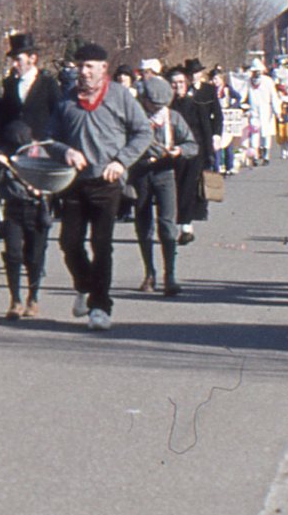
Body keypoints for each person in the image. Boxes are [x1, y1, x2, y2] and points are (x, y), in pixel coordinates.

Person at [42, 42, 153, 331]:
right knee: (69, 242)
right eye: (80, 66)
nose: (84, 72)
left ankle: (101, 307)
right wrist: (65, 151)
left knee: (101, 244)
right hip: (74, 182)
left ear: (104, 68)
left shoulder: (119, 96)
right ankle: (84, 285)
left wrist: (121, 162)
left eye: (90, 66)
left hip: (107, 181)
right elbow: (49, 139)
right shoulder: (67, 100)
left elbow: (143, 132)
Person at [131, 76, 196, 297]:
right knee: (143, 224)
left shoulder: (173, 118)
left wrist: (179, 150)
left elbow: (192, 144)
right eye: (153, 105)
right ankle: (149, 272)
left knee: (167, 224)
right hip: (140, 173)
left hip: (165, 173)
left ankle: (170, 275)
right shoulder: (135, 117)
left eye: (160, 106)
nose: (156, 109)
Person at [0, 120, 53, 320]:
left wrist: (41, 190)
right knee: (13, 254)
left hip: (37, 208)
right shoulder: (3, 155)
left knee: (35, 256)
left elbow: (52, 180)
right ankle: (15, 300)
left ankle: (33, 298)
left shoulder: (40, 153)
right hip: (13, 208)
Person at [168, 66, 218, 244]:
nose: (178, 86)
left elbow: (205, 127)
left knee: (188, 188)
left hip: (194, 152)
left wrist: (210, 151)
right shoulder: (166, 105)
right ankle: (174, 224)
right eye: (174, 83)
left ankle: (186, 227)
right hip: (170, 153)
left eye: (181, 82)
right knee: (173, 189)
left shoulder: (194, 102)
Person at [1, 31, 62, 140]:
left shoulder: (48, 84)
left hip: (42, 144)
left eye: (18, 59)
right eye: (13, 60)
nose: (14, 64)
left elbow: (58, 115)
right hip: (15, 145)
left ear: (32, 58)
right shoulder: (9, 85)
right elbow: (5, 117)